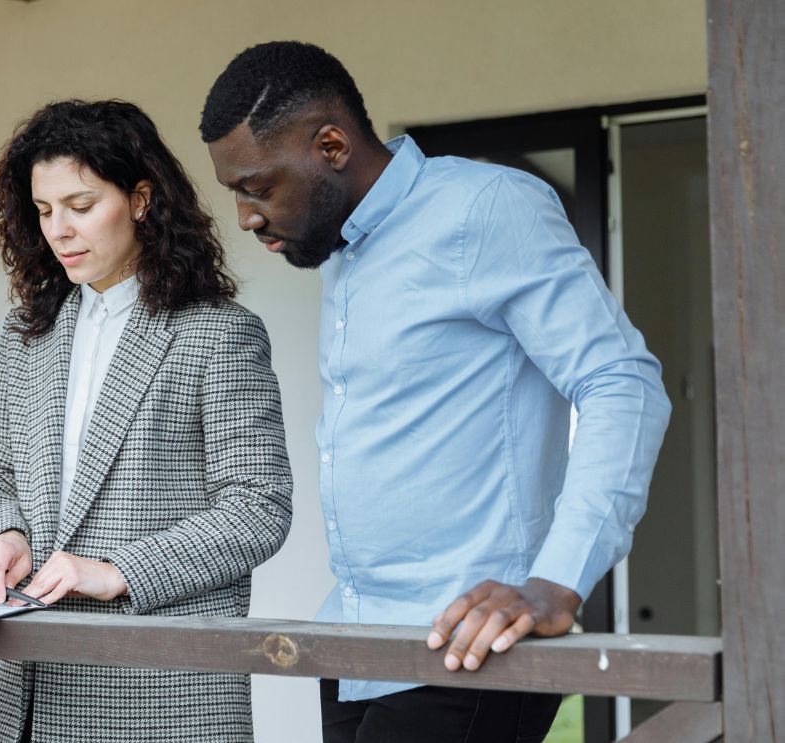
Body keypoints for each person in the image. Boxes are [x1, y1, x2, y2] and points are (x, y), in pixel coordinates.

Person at [201, 42, 671, 742]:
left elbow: (619, 382)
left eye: (257, 186)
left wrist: (556, 581)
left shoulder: (484, 209)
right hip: (357, 638)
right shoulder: (347, 246)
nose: (245, 216)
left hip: (465, 642)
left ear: (330, 145)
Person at [0, 99, 293, 743]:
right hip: (14, 699)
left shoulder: (220, 334)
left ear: (141, 200)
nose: (58, 229)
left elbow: (259, 506)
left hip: (156, 700)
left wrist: (117, 571)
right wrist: (2, 533)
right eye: (43, 210)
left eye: (80, 206)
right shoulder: (27, 331)